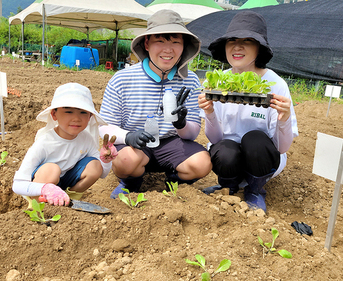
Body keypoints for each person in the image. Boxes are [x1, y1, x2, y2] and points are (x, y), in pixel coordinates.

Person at [99, 9, 212, 199]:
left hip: (170, 144)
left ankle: (173, 181)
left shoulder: (190, 80)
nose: (168, 50)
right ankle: (131, 183)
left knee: (201, 163)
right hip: (135, 146)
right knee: (126, 160)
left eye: (175, 42)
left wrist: (180, 124)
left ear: (184, 46)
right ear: (147, 43)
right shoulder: (123, 79)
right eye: (160, 41)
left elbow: (192, 134)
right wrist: (128, 137)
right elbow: (104, 128)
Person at [198, 11, 299, 213]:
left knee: (255, 139)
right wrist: (209, 113)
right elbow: (215, 138)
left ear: (259, 48)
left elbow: (282, 147)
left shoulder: (275, 84)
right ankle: (228, 187)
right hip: (229, 159)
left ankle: (255, 189)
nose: (237, 46)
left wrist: (284, 119)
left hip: (262, 159)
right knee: (225, 148)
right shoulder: (216, 82)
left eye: (248, 41)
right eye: (232, 40)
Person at [12, 83, 118, 207]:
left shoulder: (86, 139)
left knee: (95, 165)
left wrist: (105, 160)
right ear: (54, 114)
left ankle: (69, 201)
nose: (76, 118)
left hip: (65, 182)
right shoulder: (44, 143)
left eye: (83, 112)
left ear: (90, 117)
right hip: (42, 187)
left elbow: (101, 173)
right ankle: (39, 206)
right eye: (68, 111)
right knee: (51, 170)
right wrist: (45, 188)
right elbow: (18, 184)